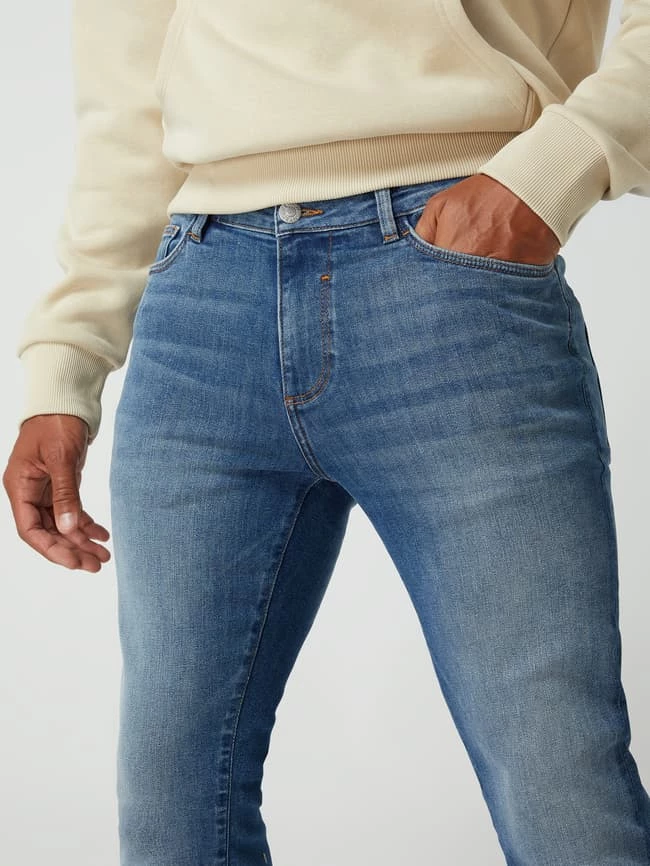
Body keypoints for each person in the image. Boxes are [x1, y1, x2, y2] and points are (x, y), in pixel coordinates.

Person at [4, 0, 650, 862]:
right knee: (171, 806)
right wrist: (65, 363)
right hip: (200, 297)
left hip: (452, 279)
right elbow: (124, 104)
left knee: (560, 782)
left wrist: (552, 170)